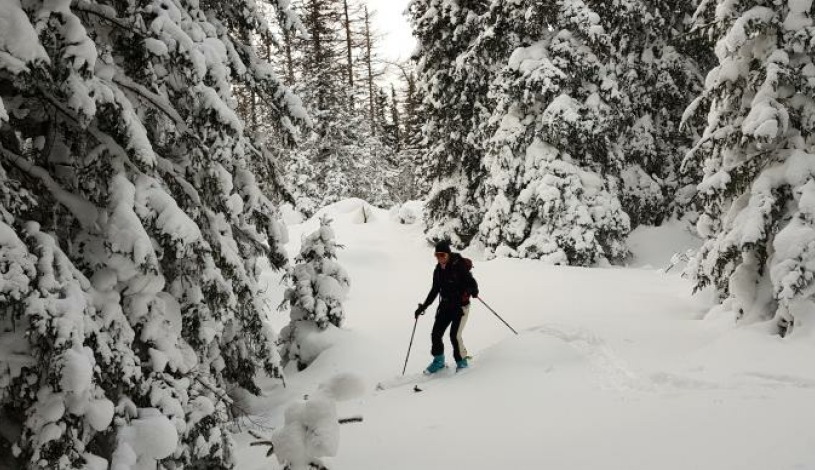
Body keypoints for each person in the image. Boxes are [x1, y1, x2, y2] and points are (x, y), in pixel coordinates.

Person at [415, 240, 479, 373]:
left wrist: (472, 290)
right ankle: (439, 361)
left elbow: (471, 281)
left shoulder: (458, 266)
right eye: (437, 255)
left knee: (454, 335)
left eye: (442, 255)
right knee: (436, 334)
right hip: (445, 305)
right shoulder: (438, 271)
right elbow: (434, 290)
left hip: (460, 307)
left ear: (448, 254)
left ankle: (462, 362)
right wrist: (423, 307)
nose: (440, 258)